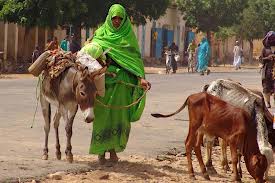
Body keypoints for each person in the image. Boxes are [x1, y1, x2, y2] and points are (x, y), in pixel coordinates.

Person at [88, 4, 151, 164]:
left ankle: (113, 150)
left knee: (119, 118)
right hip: (104, 84)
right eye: (114, 18)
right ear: (109, 17)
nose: (116, 21)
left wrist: (140, 78)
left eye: (120, 18)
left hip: (123, 85)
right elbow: (91, 58)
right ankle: (101, 152)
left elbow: (135, 63)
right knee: (102, 118)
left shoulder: (129, 38)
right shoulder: (100, 35)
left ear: (124, 20)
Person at [260, 32, 275, 108]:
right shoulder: (265, 49)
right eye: (271, 38)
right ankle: (268, 103)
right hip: (266, 71)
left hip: (274, 72)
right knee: (266, 87)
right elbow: (260, 59)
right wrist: (267, 58)